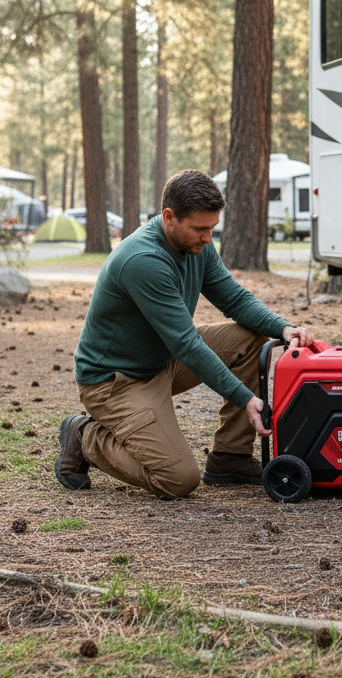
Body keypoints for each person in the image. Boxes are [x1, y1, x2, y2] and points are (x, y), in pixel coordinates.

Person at [54, 169, 313, 498]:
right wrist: (246, 399)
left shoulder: (197, 246)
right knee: (178, 479)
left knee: (251, 341)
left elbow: (233, 298)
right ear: (169, 217)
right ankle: (83, 436)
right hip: (116, 382)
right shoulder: (143, 260)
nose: (208, 238)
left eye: (212, 229)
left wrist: (284, 327)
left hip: (163, 360)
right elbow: (187, 344)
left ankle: (230, 457)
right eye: (200, 229)